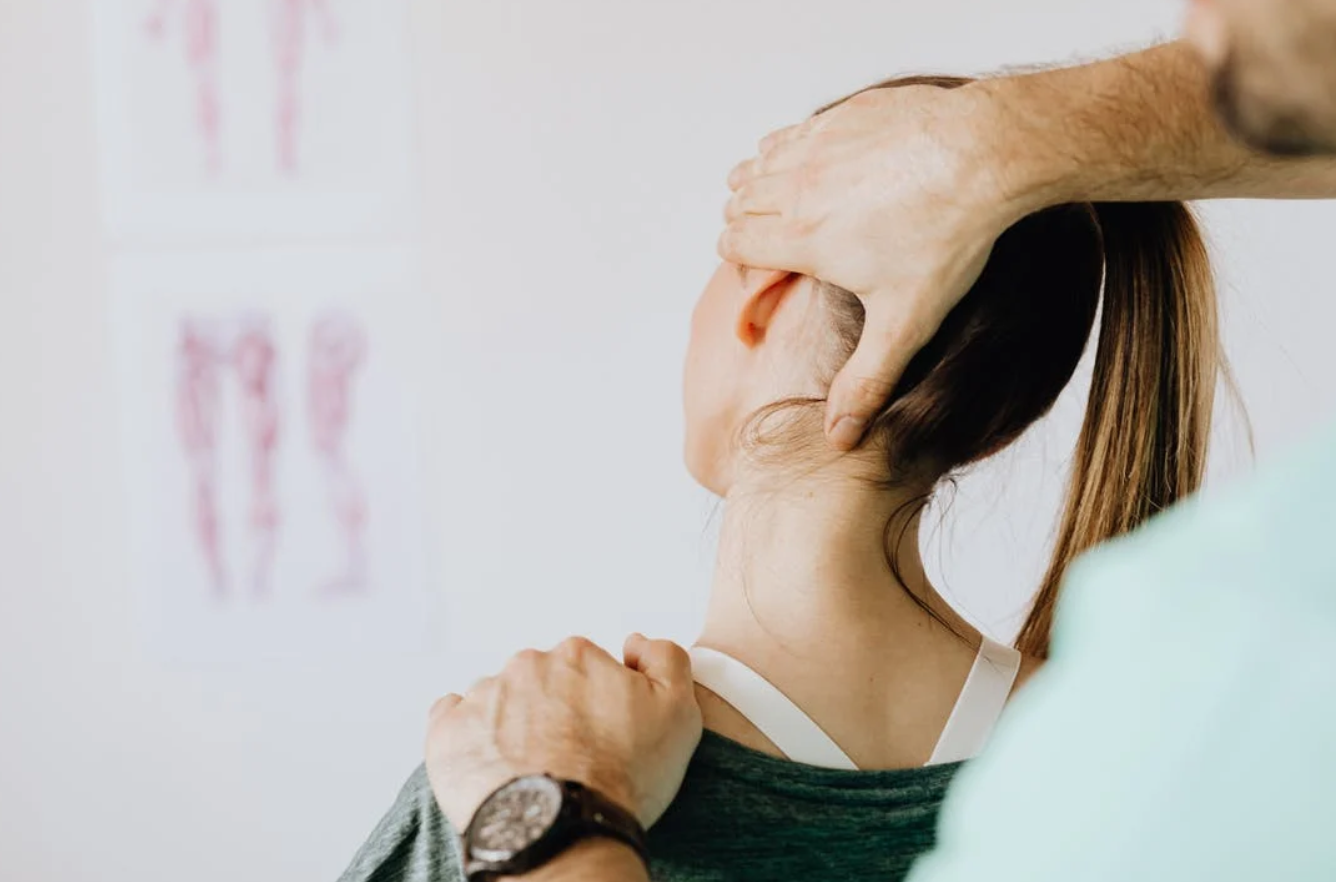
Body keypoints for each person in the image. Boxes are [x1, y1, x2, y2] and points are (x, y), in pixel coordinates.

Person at [356, 0, 1336, 878]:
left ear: (761, 298)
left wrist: (538, 818)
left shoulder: (509, 795)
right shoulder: (1180, 758)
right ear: (991, 414)